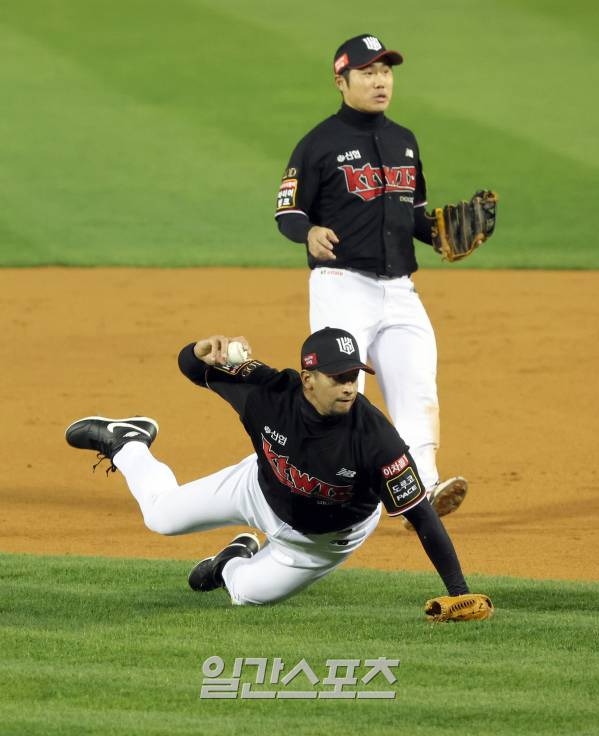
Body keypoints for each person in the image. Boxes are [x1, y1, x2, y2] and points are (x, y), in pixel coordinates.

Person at [66, 328, 475, 607]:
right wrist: (198, 352)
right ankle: (128, 443)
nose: (350, 386)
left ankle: (230, 560)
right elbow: (193, 369)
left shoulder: (376, 438)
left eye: (353, 375)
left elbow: (421, 515)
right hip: (256, 488)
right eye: (338, 377)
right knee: (160, 517)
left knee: (243, 594)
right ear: (308, 378)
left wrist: (458, 591)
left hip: (320, 543)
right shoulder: (267, 392)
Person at [275, 33, 474, 529]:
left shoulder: (405, 140)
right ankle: (322, 489)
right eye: (368, 73)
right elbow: (288, 211)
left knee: (417, 388)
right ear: (341, 82)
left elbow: (416, 216)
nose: (380, 80)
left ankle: (419, 492)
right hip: (343, 287)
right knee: (340, 392)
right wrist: (310, 231)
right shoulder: (318, 143)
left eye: (385, 71)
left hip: (401, 290)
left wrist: (446, 234)